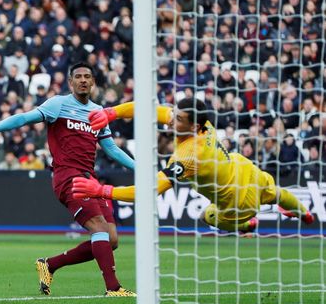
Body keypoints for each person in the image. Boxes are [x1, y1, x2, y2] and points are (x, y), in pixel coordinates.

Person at [0, 62, 136, 297]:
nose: (83, 80)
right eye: (78, 77)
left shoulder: (99, 112)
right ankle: (113, 288)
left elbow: (112, 149)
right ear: (71, 82)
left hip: (91, 179)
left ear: (94, 82)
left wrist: (141, 168)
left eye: (88, 76)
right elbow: (24, 118)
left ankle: (50, 264)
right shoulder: (58, 104)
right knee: (98, 227)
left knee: (112, 240)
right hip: (68, 177)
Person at [72, 97, 315, 232]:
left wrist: (102, 191)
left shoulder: (188, 158)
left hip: (238, 200)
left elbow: (147, 191)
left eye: (177, 119)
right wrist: (111, 113)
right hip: (243, 168)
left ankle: (245, 224)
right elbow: (148, 109)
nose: (170, 120)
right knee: (276, 193)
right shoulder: (203, 123)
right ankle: (304, 214)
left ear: (193, 126)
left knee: (207, 216)